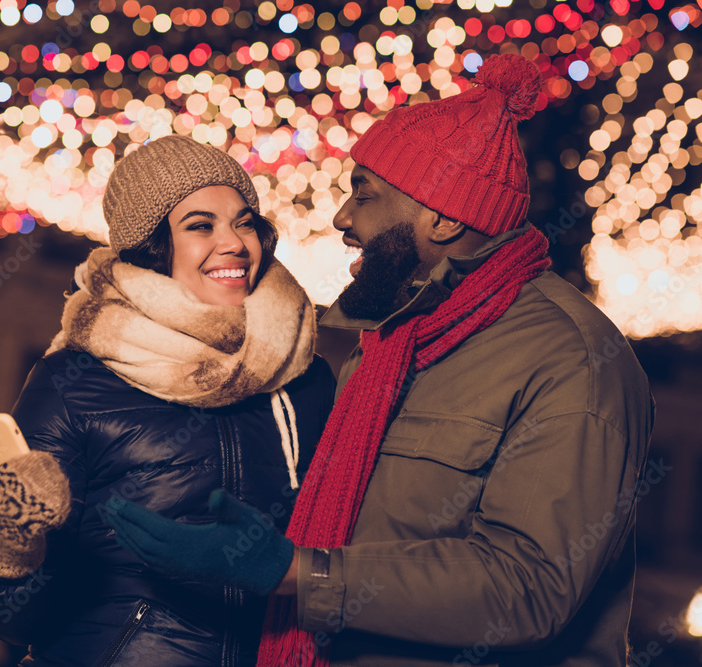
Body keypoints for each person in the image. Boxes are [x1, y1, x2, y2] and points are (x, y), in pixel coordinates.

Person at [104, 54, 654, 666]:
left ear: (442, 216)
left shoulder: (572, 360)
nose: (341, 218)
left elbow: (528, 589)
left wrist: (296, 574)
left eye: (362, 194)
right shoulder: (394, 344)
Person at [0, 134, 337, 666]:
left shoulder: (304, 376)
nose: (233, 242)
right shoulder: (75, 379)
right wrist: (11, 546)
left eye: (245, 222)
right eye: (200, 226)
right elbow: (18, 619)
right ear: (153, 246)